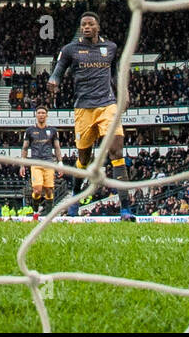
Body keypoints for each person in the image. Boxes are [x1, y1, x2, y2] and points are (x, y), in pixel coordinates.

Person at [47, 11, 134, 220]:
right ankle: (74, 201)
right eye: (83, 24)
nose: (86, 27)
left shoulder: (110, 48)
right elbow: (59, 69)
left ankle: (126, 209)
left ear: (98, 27)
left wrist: (124, 91)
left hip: (107, 106)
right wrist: (54, 80)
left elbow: (115, 73)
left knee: (117, 153)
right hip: (83, 109)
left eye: (90, 24)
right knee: (83, 160)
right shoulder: (70, 49)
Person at [20, 104, 62, 213]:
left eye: (43, 113)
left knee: (49, 190)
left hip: (49, 163)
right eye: (39, 113)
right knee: (37, 190)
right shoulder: (30, 131)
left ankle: (48, 215)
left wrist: (60, 163)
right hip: (36, 163)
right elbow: (24, 148)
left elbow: (57, 147)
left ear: (47, 115)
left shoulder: (53, 131)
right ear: (36, 115)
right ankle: (35, 212)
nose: (41, 115)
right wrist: (22, 165)